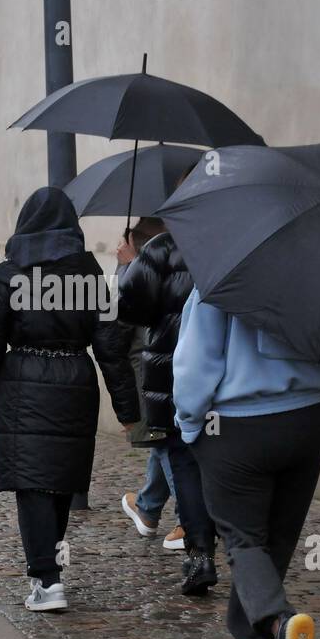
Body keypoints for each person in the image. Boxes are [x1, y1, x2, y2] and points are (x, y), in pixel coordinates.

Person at [0, 187, 140, 613]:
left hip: (24, 380)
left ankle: (47, 579)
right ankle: (49, 574)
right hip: (76, 380)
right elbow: (111, 348)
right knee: (60, 478)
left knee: (33, 482)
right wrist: (129, 411)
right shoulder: (89, 275)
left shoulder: (8, 274)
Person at [173, 286, 320, 639]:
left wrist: (189, 425)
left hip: (236, 424)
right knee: (274, 540)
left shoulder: (220, 280)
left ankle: (280, 624)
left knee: (243, 540)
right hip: (310, 417)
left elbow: (194, 363)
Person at [118, 229, 218, 595]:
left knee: (180, 454)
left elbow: (131, 308)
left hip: (174, 369)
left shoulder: (163, 246)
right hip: (226, 374)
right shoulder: (244, 240)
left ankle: (198, 547)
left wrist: (129, 267)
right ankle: (150, 507)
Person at [114, 217, 188, 552]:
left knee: (165, 439)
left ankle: (189, 520)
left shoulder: (156, 259)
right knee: (164, 437)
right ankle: (148, 507)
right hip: (176, 364)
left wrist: (129, 268)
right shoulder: (185, 250)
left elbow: (126, 313)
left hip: (158, 366)